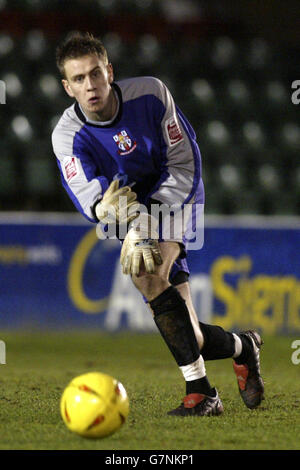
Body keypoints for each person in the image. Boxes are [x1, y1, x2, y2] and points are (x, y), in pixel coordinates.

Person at [52, 32, 264, 416]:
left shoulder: (150, 93)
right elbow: (91, 196)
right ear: (68, 87)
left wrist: (146, 221)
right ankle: (243, 346)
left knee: (146, 272)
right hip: (132, 214)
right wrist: (108, 210)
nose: (91, 85)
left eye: (96, 74)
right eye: (79, 79)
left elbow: (183, 161)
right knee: (192, 336)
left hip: (177, 193)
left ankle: (201, 393)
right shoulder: (66, 135)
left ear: (109, 71)